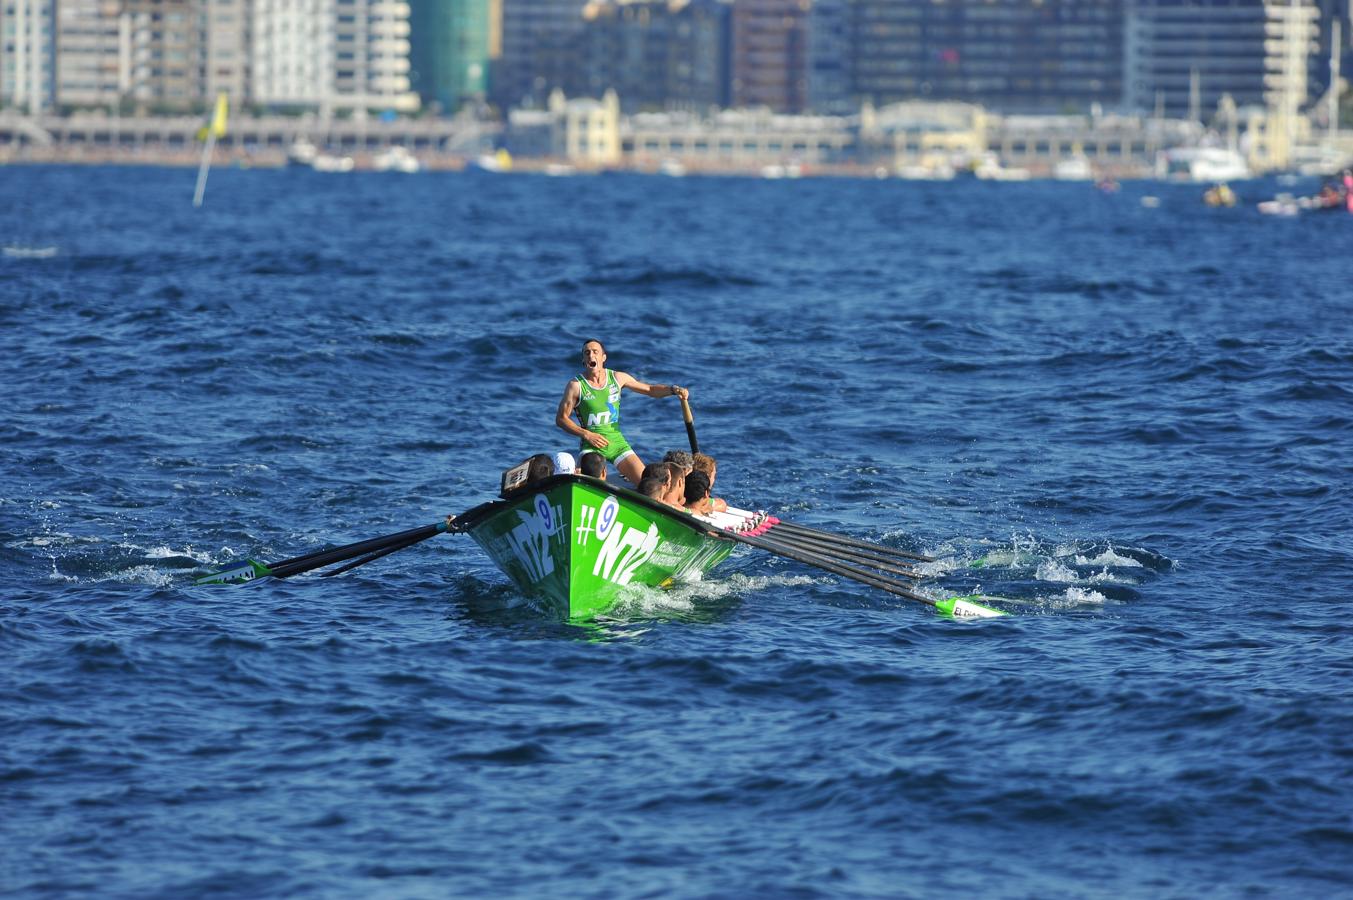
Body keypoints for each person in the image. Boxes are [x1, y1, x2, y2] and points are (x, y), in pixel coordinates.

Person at [555, 339, 689, 486]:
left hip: (617, 443)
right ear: (583, 360)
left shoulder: (618, 378)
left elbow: (650, 390)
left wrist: (672, 390)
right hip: (591, 446)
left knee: (648, 485)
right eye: (587, 353)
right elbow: (561, 419)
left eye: (595, 352)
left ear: (603, 357)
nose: (591, 355)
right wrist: (587, 434)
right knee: (590, 486)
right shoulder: (576, 385)